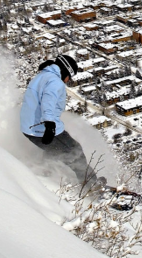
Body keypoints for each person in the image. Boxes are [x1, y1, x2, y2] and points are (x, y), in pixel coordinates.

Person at [20, 54, 96, 186]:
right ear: (65, 71)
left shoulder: (43, 76)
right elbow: (48, 102)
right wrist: (49, 125)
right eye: (69, 77)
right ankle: (91, 185)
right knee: (74, 150)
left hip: (30, 127)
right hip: (42, 128)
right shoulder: (55, 82)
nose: (67, 81)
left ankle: (45, 171)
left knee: (54, 150)